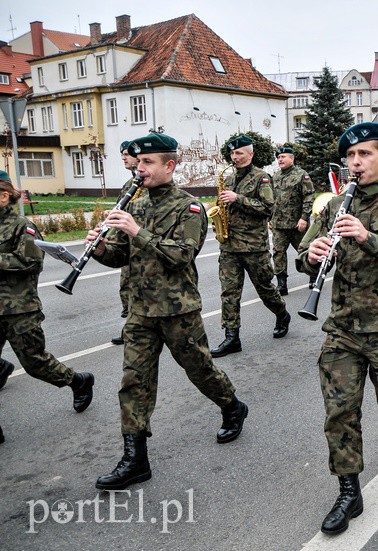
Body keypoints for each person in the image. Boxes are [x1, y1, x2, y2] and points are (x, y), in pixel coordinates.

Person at [87, 134, 247, 490]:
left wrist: (136, 230)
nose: (138, 169)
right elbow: (120, 257)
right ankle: (135, 458)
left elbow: (180, 256)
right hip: (141, 311)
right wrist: (100, 248)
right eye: (137, 163)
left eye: (147, 163)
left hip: (177, 310)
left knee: (200, 370)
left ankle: (232, 406)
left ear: (169, 166)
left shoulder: (188, 208)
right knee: (134, 382)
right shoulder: (134, 205)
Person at [296, 122, 378, 536]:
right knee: (340, 411)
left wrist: (369, 237)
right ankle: (349, 491)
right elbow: (305, 255)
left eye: (365, 154)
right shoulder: (334, 205)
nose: (356, 162)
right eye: (350, 156)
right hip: (343, 328)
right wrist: (312, 255)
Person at [0, 173, 95, 425]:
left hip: (18, 309)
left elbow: (30, 261)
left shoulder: (22, 225)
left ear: (4, 195)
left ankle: (78, 381)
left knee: (34, 363)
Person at [210, 135, 291, 358]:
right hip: (229, 246)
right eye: (232, 154)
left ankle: (282, 314)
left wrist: (238, 199)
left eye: (239, 153)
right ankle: (232, 337)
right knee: (229, 292)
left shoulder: (261, 178)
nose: (234, 157)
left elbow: (267, 208)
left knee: (265, 289)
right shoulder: (229, 178)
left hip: (254, 246)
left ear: (250, 155)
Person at [271, 145, 314, 295]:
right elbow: (272, 199)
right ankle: (282, 283)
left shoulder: (301, 175)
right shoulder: (276, 176)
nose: (280, 160)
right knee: (278, 253)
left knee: (305, 250)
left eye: (283, 157)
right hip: (278, 224)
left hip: (297, 224)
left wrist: (304, 218)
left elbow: (309, 197)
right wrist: (270, 219)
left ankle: (313, 275)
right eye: (278, 157)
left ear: (292, 158)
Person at [112, 141, 141, 346]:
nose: (123, 158)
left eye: (126, 154)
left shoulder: (147, 185)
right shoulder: (128, 186)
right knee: (126, 286)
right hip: (127, 245)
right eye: (121, 154)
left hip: (143, 243)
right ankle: (129, 326)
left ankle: (134, 329)